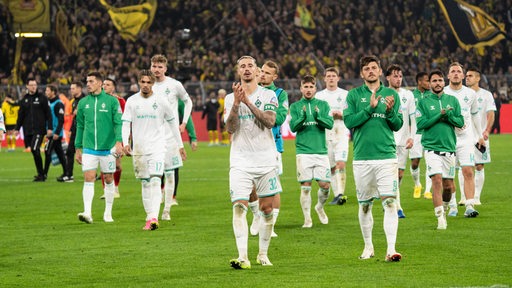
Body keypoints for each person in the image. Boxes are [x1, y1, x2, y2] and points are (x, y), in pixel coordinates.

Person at [343, 55, 403, 262]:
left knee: (389, 202)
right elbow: (349, 122)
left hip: (386, 156)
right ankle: (368, 246)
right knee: (365, 205)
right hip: (362, 158)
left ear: (379, 72)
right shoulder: (353, 96)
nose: (370, 71)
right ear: (362, 73)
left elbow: (397, 125)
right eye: (366, 68)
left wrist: (388, 111)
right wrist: (369, 108)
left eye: (374, 68)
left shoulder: (391, 95)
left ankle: (391, 249)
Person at [224, 55, 281, 269]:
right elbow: (230, 128)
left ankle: (262, 254)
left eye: (250, 66)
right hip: (240, 161)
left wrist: (248, 102)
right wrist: (237, 104)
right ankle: (243, 257)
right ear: (238, 71)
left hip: (265, 160)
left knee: (267, 210)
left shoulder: (268, 95)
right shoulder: (230, 98)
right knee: (239, 207)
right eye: (242, 66)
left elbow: (269, 121)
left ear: (256, 70)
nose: (246, 69)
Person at [122, 70, 183, 230]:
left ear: (153, 84)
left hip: (158, 148)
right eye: (143, 82)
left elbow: (172, 124)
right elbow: (125, 123)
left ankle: (154, 217)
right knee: (145, 183)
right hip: (139, 149)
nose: (146, 85)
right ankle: (149, 216)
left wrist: (180, 145)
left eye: (149, 82)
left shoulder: (162, 101)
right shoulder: (132, 101)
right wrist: (125, 142)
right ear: (138, 83)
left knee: (156, 180)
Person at [416, 70, 464, 229]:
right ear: (429, 84)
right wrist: (439, 115)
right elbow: (421, 124)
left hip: (449, 148)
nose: (437, 83)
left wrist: (448, 116)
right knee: (436, 180)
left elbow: (460, 121)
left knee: (448, 186)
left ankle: (444, 208)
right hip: (431, 148)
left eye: (440, 80)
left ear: (444, 82)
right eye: (434, 81)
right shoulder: (423, 102)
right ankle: (440, 218)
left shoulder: (453, 100)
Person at [75, 71, 123, 224]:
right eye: (87, 81)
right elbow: (80, 126)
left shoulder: (112, 102)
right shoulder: (83, 103)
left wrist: (119, 142)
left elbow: (118, 123)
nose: (87, 84)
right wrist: (77, 148)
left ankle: (107, 213)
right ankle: (87, 212)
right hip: (89, 148)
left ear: (99, 83)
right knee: (88, 177)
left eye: (91, 81)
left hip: (108, 149)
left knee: (109, 178)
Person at [249, 60, 289, 238]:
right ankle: (257, 216)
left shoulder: (280, 94)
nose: (263, 74)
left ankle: (271, 225)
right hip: (250, 145)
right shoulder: (251, 90)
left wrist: (261, 113)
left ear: (275, 77)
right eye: (262, 71)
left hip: (272, 145)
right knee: (251, 185)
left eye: (267, 72)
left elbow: (279, 118)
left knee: (273, 186)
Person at [289, 74, 333, 228]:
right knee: (306, 186)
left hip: (320, 151)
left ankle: (319, 207)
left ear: (315, 88)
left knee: (325, 186)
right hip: (303, 151)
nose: (308, 89)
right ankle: (307, 219)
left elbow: (329, 124)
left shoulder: (323, 105)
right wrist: (302, 116)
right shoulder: (295, 107)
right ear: (301, 88)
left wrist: (318, 116)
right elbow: (293, 127)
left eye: (311, 87)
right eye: (305, 87)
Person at [150, 54, 190, 220]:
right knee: (152, 175)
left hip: (170, 138)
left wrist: (184, 122)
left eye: (160, 67)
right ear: (150, 67)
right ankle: (152, 209)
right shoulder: (147, 86)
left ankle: (166, 210)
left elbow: (188, 102)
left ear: (165, 68)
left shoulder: (174, 85)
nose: (157, 70)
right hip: (152, 138)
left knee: (170, 174)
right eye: (154, 66)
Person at [443, 62, 482, 218]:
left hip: (466, 138)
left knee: (468, 171)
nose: (456, 74)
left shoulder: (471, 94)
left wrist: (479, 135)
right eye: (453, 71)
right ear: (448, 75)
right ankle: (452, 205)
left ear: (463, 75)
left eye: (459, 71)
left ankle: (469, 205)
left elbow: (474, 115)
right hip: (448, 139)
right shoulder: (443, 93)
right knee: (449, 175)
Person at [385, 64, 417, 218]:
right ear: (388, 78)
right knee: (392, 172)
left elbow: (413, 118)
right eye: (395, 76)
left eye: (400, 76)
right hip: (387, 140)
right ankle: (397, 206)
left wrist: (412, 136)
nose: (398, 79)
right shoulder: (382, 94)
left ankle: (390, 198)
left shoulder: (408, 95)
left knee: (399, 175)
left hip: (404, 141)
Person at [315, 67, 349, 206]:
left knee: (341, 162)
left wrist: (341, 115)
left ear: (338, 78)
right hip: (326, 134)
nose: (331, 78)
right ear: (324, 79)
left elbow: (351, 113)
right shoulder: (319, 96)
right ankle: (337, 195)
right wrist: (329, 116)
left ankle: (341, 194)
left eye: (333, 76)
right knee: (331, 166)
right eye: (328, 76)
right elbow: (316, 115)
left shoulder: (346, 94)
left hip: (341, 132)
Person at [465, 67, 496, 205]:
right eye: (466, 76)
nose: (467, 78)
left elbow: (491, 114)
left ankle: (476, 197)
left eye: (470, 76)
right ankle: (464, 198)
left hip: (480, 136)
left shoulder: (486, 95)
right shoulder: (462, 94)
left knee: (479, 166)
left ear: (478, 78)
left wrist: (487, 131)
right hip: (464, 136)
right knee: (464, 166)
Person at [15, 78, 53, 181]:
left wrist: (50, 128)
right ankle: (42, 173)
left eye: (35, 85)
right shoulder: (24, 100)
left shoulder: (42, 98)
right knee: (34, 150)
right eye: (31, 85)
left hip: (39, 130)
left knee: (35, 148)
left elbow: (48, 114)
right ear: (27, 86)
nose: (33, 87)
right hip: (28, 130)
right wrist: (17, 128)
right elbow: (20, 115)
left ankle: (41, 174)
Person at [99, 78, 126, 198]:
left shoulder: (120, 101)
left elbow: (125, 121)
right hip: (102, 137)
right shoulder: (97, 101)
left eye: (108, 84)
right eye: (103, 84)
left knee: (117, 165)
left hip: (116, 138)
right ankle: (106, 191)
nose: (104, 86)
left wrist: (124, 140)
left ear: (113, 87)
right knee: (103, 163)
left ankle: (115, 188)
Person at [410, 72, 433, 199]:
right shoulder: (411, 96)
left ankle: (428, 190)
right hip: (415, 134)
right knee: (415, 162)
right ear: (419, 82)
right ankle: (417, 184)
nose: (429, 83)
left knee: (430, 161)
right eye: (426, 81)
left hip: (429, 132)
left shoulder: (432, 95)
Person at [58, 81, 85, 183]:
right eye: (71, 88)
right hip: (75, 129)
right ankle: (69, 175)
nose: (71, 90)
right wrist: (70, 130)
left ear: (79, 89)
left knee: (87, 152)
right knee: (70, 152)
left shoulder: (85, 100)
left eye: (73, 88)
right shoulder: (74, 101)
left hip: (84, 130)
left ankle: (92, 173)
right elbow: (74, 118)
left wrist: (81, 112)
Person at [42, 85, 68, 180]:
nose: (46, 92)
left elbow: (61, 119)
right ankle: (66, 172)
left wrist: (57, 132)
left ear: (53, 92)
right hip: (51, 132)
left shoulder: (58, 104)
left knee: (47, 151)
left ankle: (44, 174)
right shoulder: (49, 103)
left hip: (55, 133)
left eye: (47, 90)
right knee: (59, 153)